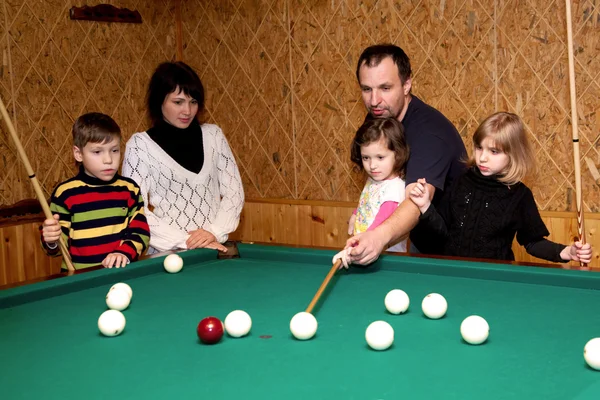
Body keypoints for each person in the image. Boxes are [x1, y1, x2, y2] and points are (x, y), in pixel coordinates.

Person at [409, 112, 592, 263]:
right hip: (453, 273)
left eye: (494, 151)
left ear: (513, 154)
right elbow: (442, 233)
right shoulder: (461, 181)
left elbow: (532, 242)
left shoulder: (520, 196)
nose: (482, 158)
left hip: (494, 280)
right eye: (480, 148)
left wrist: (567, 252)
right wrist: (426, 206)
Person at [344, 44, 467, 265]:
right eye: (366, 89)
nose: (374, 100)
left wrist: (377, 237)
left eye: (385, 88)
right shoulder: (379, 118)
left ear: (407, 84)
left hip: (455, 251)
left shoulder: (430, 132)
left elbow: (415, 201)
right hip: (418, 239)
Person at [122, 61, 244, 254]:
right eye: (178, 102)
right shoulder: (140, 146)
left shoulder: (213, 136)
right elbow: (137, 211)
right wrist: (187, 240)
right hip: (168, 256)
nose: (187, 111)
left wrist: (213, 232)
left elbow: (234, 192)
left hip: (214, 250)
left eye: (193, 102)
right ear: (159, 101)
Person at [41, 113, 150, 269]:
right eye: (97, 152)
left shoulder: (129, 189)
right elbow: (57, 249)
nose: (108, 160)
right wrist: (51, 241)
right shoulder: (65, 194)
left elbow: (140, 231)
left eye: (114, 150)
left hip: (120, 275)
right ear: (78, 154)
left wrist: (124, 252)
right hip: (80, 283)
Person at [334, 118, 410, 268]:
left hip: (387, 259)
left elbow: (379, 224)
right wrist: (356, 213)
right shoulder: (373, 180)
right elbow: (368, 202)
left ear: (398, 154)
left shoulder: (395, 188)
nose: (372, 166)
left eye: (380, 157)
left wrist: (352, 249)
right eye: (366, 158)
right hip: (366, 253)